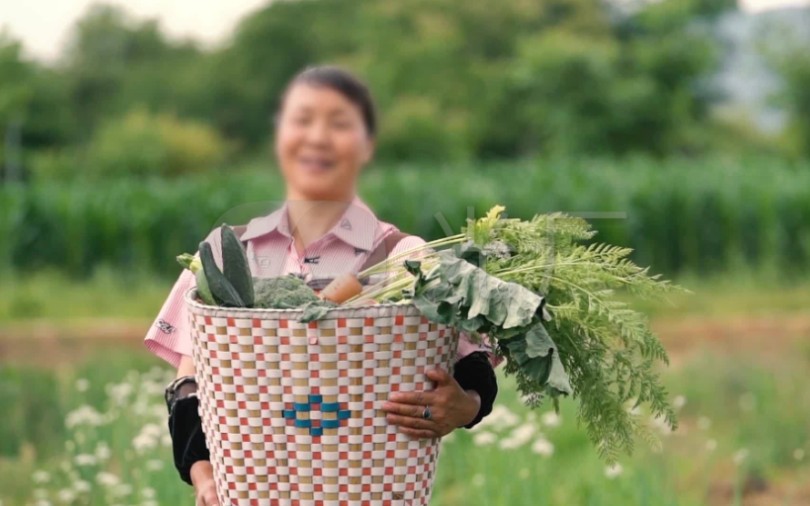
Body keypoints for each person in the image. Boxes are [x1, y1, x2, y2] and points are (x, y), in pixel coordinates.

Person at [145, 65, 501, 506]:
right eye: (302, 120)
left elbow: (472, 369)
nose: (317, 137)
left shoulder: (405, 255)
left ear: (366, 144)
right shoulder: (222, 254)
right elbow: (190, 389)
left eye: (339, 123)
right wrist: (205, 479)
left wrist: (463, 407)